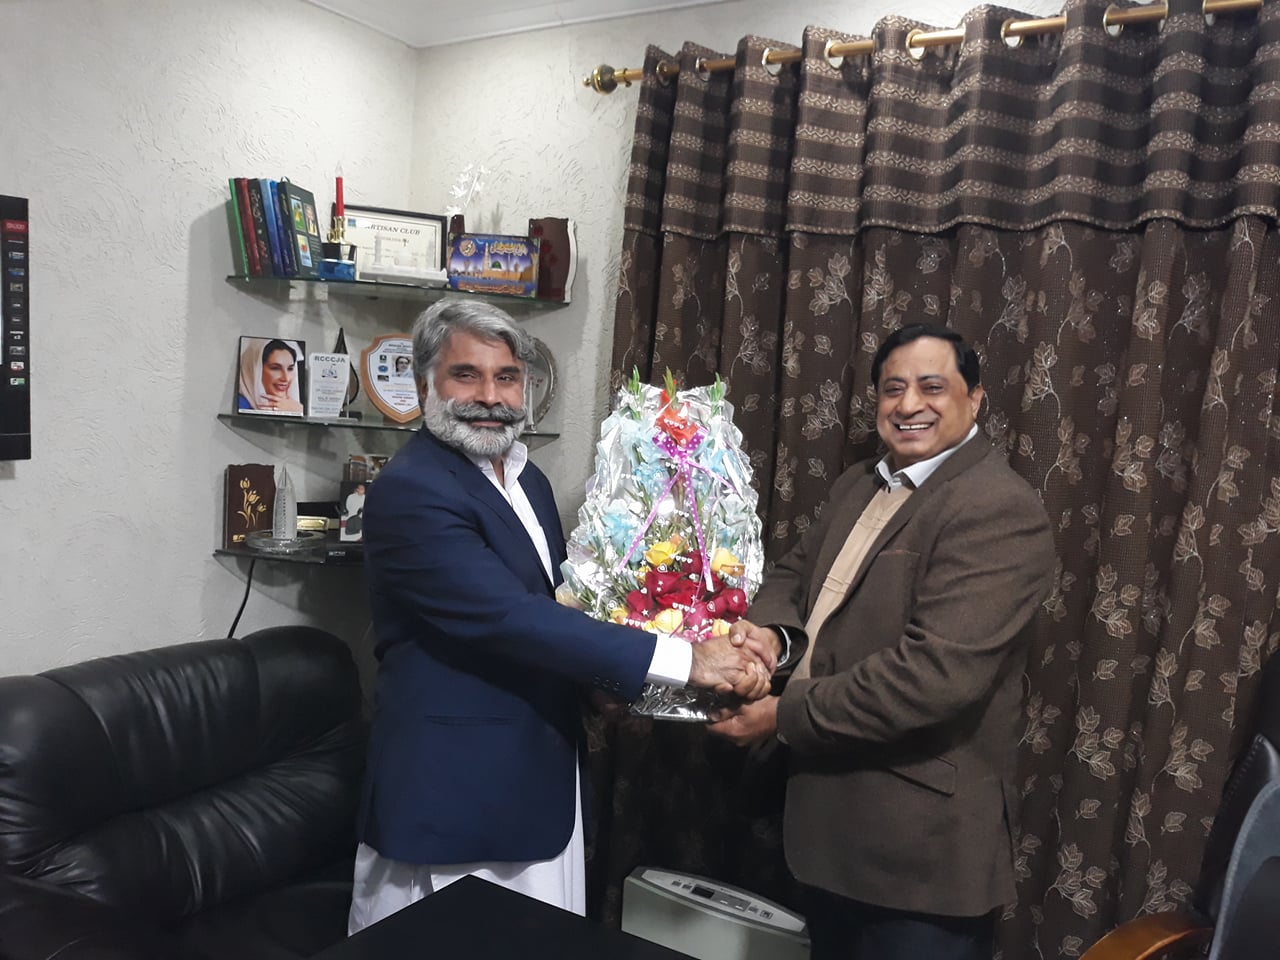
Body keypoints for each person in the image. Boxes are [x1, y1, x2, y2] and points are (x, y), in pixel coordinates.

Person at [348, 299, 776, 934]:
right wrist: (689, 660)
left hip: (540, 784)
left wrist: (600, 687)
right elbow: (509, 619)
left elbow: (557, 609)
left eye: (507, 377)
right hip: (455, 796)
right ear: (423, 385)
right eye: (466, 375)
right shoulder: (411, 490)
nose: (490, 396)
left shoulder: (529, 481)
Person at [709, 323, 1056, 960]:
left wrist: (780, 714)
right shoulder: (862, 483)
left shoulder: (996, 507)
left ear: (975, 399)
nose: (908, 404)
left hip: (918, 858)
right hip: (827, 829)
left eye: (932, 387)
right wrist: (770, 641)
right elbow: (793, 576)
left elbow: (932, 677)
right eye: (893, 389)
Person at [237, 338, 303, 414]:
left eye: (290, 368)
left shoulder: (292, 407)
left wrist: (298, 410)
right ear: (253, 370)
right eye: (275, 368)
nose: (286, 378)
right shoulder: (240, 405)